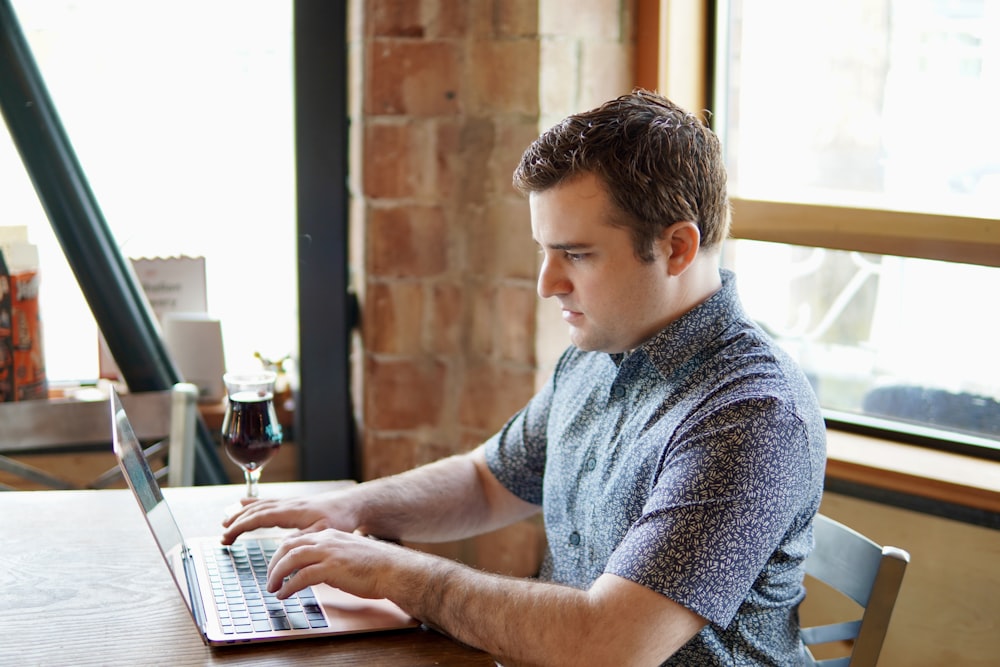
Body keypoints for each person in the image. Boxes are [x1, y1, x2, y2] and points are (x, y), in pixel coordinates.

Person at [222, 89, 826, 666]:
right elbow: (488, 481)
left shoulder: (752, 416)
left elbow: (607, 644)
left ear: (677, 248)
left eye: (577, 254)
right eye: (544, 251)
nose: (548, 283)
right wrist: (350, 509)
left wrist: (389, 571)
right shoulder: (598, 352)